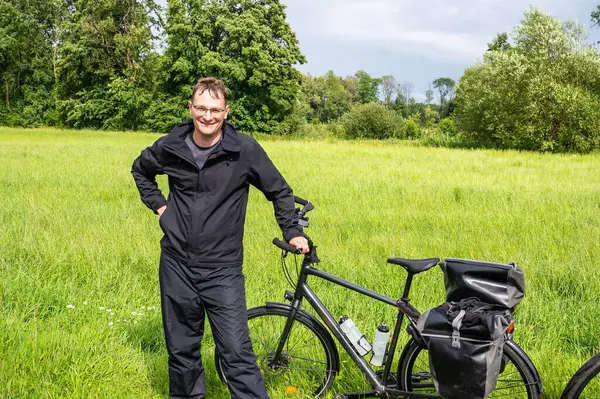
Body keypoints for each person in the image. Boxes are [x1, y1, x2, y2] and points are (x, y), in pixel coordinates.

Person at [131, 77, 309, 399]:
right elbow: (140, 170)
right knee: (182, 353)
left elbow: (279, 190)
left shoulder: (243, 150)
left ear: (226, 112)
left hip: (222, 270)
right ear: (190, 108)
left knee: (237, 354)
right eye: (201, 108)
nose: (207, 116)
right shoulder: (171, 145)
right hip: (176, 265)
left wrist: (292, 231)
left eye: (214, 109)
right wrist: (161, 207)